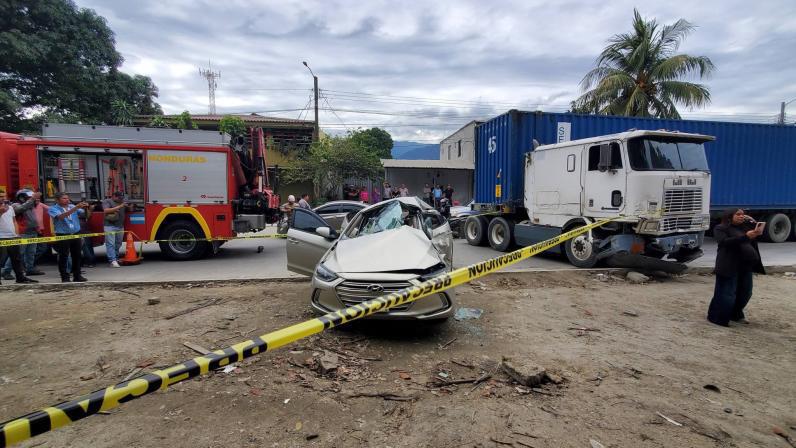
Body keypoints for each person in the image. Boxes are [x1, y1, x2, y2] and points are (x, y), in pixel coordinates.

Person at [707, 209, 765, 327]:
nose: (741, 216)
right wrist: (745, 237)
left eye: (742, 214)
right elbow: (724, 242)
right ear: (729, 216)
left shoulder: (745, 227)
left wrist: (752, 221)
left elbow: (754, 230)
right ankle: (718, 317)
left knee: (746, 292)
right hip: (728, 265)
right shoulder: (721, 228)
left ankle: (735, 314)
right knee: (727, 293)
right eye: (738, 214)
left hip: (745, 265)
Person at [1, 189, 43, 279]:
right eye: (28, 198)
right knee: (18, 253)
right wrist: (32, 199)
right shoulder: (16, 205)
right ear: (22, 197)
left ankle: (30, 269)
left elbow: (32, 218)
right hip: (23, 233)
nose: (32, 199)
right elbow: (21, 209)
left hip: (32, 231)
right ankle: (6, 271)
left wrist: (37, 228)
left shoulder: (31, 205)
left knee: (31, 253)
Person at [48, 192, 89, 282]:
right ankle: (65, 276)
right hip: (63, 234)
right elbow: (61, 217)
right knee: (64, 256)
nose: (67, 200)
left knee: (77, 255)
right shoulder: (53, 208)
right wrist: (76, 208)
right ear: (57, 200)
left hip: (75, 232)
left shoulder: (71, 206)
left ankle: (77, 275)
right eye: (64, 198)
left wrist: (87, 208)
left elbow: (85, 215)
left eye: (67, 198)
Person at [102, 192, 130, 268]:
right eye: (119, 198)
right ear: (114, 196)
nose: (121, 199)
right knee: (110, 243)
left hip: (120, 226)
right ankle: (112, 260)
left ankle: (116, 258)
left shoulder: (122, 202)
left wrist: (130, 206)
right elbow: (106, 210)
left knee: (118, 243)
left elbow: (129, 209)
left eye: (122, 198)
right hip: (109, 226)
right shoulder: (107, 201)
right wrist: (120, 206)